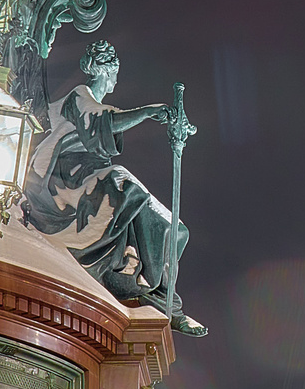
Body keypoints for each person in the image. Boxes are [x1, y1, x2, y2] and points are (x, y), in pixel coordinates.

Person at [24, 40, 206, 334]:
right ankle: (162, 299)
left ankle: (164, 298)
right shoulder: (79, 97)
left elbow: (106, 123)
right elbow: (102, 124)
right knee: (122, 181)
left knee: (176, 229)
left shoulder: (96, 105)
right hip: (65, 177)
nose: (117, 79)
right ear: (103, 71)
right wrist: (147, 112)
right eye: (115, 72)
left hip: (89, 174)